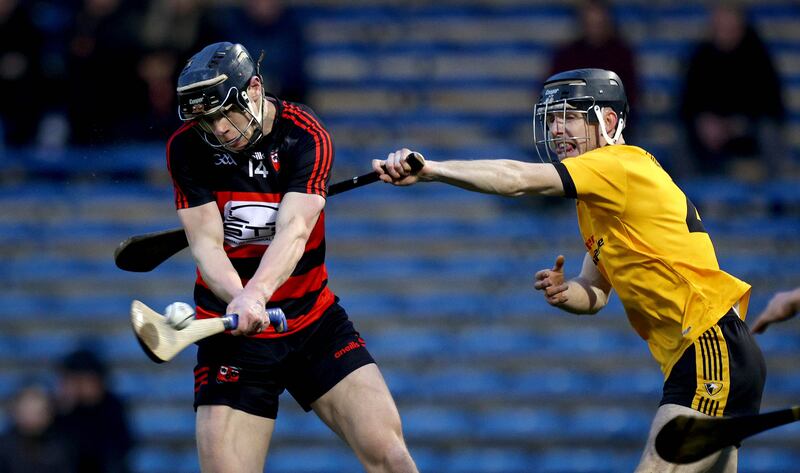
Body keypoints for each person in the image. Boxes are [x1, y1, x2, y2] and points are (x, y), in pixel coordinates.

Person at [373, 68, 766, 472]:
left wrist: (433, 169)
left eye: (571, 116)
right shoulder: (597, 201)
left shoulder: (617, 166)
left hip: (709, 349)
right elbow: (595, 293)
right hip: (706, 355)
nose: (557, 129)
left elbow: (519, 179)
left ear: (608, 122)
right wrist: (568, 292)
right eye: (552, 118)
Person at [167, 42, 417, 473]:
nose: (220, 128)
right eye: (207, 119)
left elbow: (295, 229)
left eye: (226, 112)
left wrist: (257, 293)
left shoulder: (305, 134)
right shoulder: (187, 148)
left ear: (256, 88)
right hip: (231, 333)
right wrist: (240, 298)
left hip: (312, 322)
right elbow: (206, 244)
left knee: (391, 457)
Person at [679, 4, 786, 179]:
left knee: (770, 134)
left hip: (748, 133)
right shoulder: (700, 56)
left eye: (729, 25)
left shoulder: (758, 56)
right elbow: (687, 104)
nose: (724, 31)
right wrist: (703, 123)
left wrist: (735, 125)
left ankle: (777, 198)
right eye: (719, 25)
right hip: (707, 137)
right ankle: (687, 202)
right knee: (680, 142)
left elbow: (772, 106)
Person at [54, 347, 133, 473]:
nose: (81, 387)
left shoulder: (113, 407)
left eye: (86, 380)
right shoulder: (60, 410)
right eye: (76, 380)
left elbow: (119, 449)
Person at [0, 382, 76, 473]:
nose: (31, 418)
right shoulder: (3, 447)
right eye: (27, 411)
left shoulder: (62, 446)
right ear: (15, 411)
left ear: (49, 414)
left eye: (37, 412)